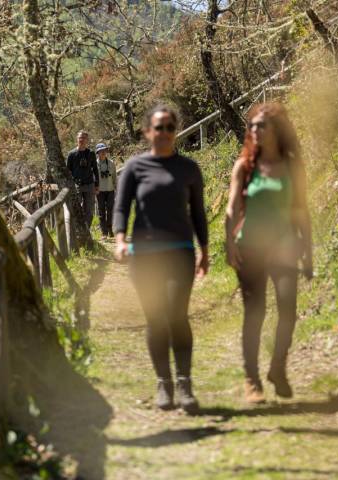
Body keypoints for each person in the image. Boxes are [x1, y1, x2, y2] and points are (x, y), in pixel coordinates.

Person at [113, 105, 209, 413]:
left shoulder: (188, 168)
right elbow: (121, 208)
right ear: (147, 132)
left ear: (176, 131)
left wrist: (204, 249)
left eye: (170, 127)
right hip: (145, 256)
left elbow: (198, 213)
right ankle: (163, 384)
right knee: (155, 318)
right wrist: (119, 240)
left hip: (180, 250)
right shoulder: (134, 167)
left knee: (177, 315)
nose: (165, 132)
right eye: (159, 127)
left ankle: (184, 383)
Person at [224, 102, 313, 404]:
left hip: (286, 247)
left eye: (262, 125)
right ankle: (252, 379)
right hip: (250, 247)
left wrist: (309, 252)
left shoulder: (292, 166)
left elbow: (301, 211)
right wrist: (229, 241)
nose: (255, 130)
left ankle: (278, 367)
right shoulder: (245, 166)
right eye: (252, 125)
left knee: (287, 311)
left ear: (277, 129)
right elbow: (232, 206)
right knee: (255, 313)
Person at [67, 131, 99, 229]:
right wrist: (69, 185)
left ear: (87, 140)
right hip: (77, 185)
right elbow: (68, 170)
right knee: (76, 208)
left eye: (84, 138)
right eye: (80, 137)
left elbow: (95, 169)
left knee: (89, 210)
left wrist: (97, 184)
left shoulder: (91, 153)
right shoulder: (71, 154)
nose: (82, 140)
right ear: (77, 139)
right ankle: (78, 229)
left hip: (89, 185)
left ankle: (87, 230)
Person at [95, 143, 117, 238]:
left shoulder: (111, 163)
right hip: (99, 191)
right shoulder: (94, 164)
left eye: (104, 150)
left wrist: (116, 188)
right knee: (101, 212)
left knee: (110, 210)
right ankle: (104, 232)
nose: (103, 152)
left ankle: (110, 229)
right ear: (98, 152)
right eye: (101, 151)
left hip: (110, 190)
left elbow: (114, 177)